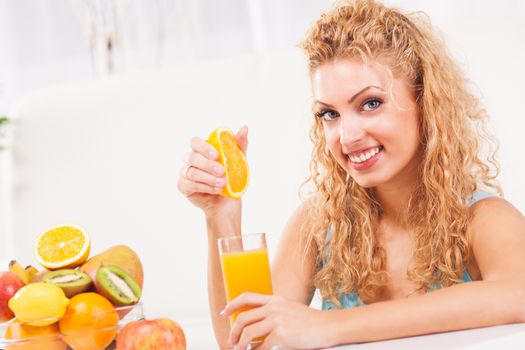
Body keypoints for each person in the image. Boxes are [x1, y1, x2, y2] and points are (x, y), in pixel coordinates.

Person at [177, 0, 525, 349]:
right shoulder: (319, 223)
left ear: (425, 102)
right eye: (330, 114)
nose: (347, 136)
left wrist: (330, 326)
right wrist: (220, 217)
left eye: (371, 103)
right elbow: (246, 341)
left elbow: (517, 294)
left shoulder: (482, 219)